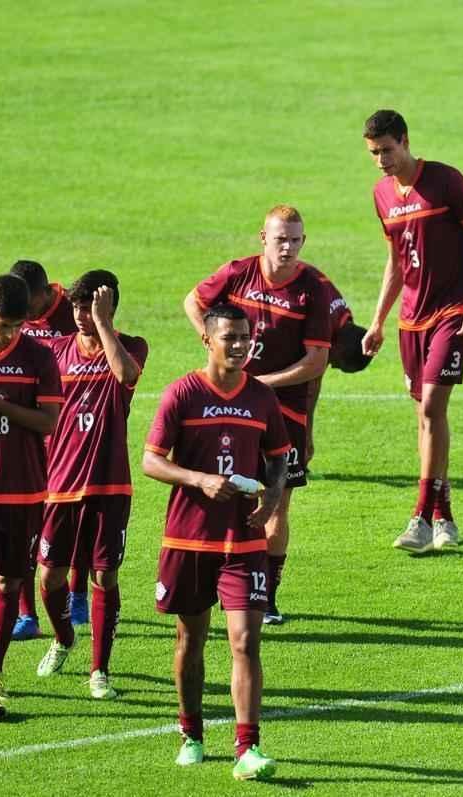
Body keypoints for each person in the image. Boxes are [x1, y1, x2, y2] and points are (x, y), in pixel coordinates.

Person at [142, 303, 289, 779]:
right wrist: (198, 479)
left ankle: (248, 748)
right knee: (190, 640)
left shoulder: (262, 398)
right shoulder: (182, 394)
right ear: (208, 340)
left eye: (246, 337)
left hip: (244, 545)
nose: (241, 345)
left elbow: (280, 459)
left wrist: (270, 501)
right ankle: (192, 733)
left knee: (246, 642)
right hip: (189, 541)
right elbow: (151, 461)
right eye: (231, 338)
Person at [183, 205, 330, 625]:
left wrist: (263, 385)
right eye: (281, 239)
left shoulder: (312, 290)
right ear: (262, 238)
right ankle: (218, 582)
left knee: (276, 503)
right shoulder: (237, 273)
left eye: (296, 240)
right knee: (223, 495)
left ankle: (267, 593)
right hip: (231, 406)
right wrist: (210, 340)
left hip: (285, 413)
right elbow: (193, 301)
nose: (289, 248)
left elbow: (316, 361)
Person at [361, 109, 463, 553]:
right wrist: (379, 320)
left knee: (432, 407)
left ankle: (420, 516)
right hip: (409, 320)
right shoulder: (382, 194)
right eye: (374, 153)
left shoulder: (445, 181)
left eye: (387, 150)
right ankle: (444, 514)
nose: (381, 160)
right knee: (426, 416)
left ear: (405, 141)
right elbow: (398, 261)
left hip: (451, 312)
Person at [35, 270, 148, 699]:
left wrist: (103, 325)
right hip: (59, 484)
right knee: (49, 578)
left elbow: (125, 375)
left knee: (105, 574)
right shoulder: (54, 353)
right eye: (77, 307)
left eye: (90, 308)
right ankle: (64, 638)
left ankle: (100, 670)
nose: (80, 315)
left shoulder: (131, 347)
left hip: (109, 484)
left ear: (108, 309)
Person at [0, 274, 62, 720]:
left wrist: (2, 408)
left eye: (16, 327)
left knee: (7, 583)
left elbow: (49, 422)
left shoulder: (39, 357)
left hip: (20, 490)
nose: (9, 335)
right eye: (2, 326)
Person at [7, 261, 83, 640]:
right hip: (30, 436)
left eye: (28, 309)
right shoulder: (14, 317)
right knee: (28, 531)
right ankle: (26, 614)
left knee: (79, 513)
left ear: (43, 294)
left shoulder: (74, 310)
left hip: (73, 432)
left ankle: (79, 589)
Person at [305, 270, 373, 463]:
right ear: (340, 349)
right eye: (338, 363)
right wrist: (306, 437)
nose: (331, 366)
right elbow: (311, 386)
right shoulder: (326, 327)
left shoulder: (343, 320)